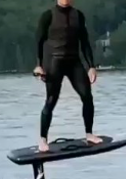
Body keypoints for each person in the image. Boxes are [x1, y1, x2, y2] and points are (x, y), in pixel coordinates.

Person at [33, 0, 103, 152]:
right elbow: (39, 41)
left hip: (74, 62)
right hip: (54, 61)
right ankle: (43, 139)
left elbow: (84, 41)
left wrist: (91, 66)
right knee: (51, 100)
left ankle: (89, 134)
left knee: (87, 96)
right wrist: (39, 65)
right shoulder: (48, 15)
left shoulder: (78, 15)